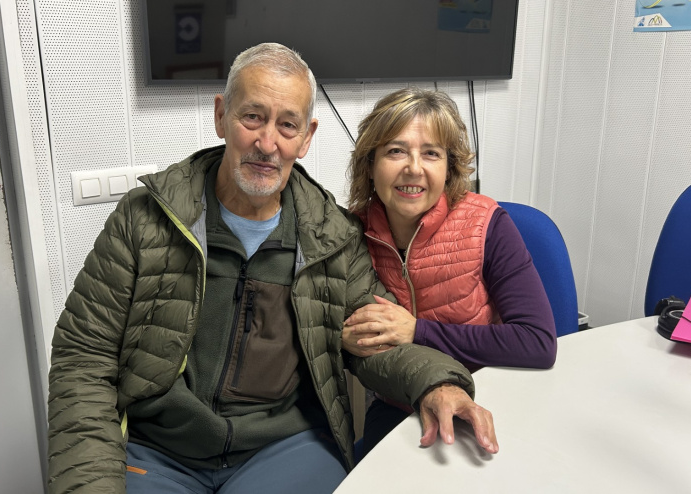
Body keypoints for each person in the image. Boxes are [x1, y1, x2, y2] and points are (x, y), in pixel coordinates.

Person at [46, 44, 497, 494]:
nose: (267, 144)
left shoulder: (333, 236)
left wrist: (437, 382)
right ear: (221, 116)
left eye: (287, 125)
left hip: (284, 447)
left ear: (306, 137)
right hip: (159, 451)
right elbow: (83, 359)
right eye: (252, 118)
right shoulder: (145, 219)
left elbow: (374, 336)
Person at [343, 87, 557, 454]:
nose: (414, 167)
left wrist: (417, 331)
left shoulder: (486, 224)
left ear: (449, 166)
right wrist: (342, 341)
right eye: (396, 151)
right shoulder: (349, 234)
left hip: (490, 397)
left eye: (431, 153)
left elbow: (538, 342)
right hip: (401, 404)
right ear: (370, 163)